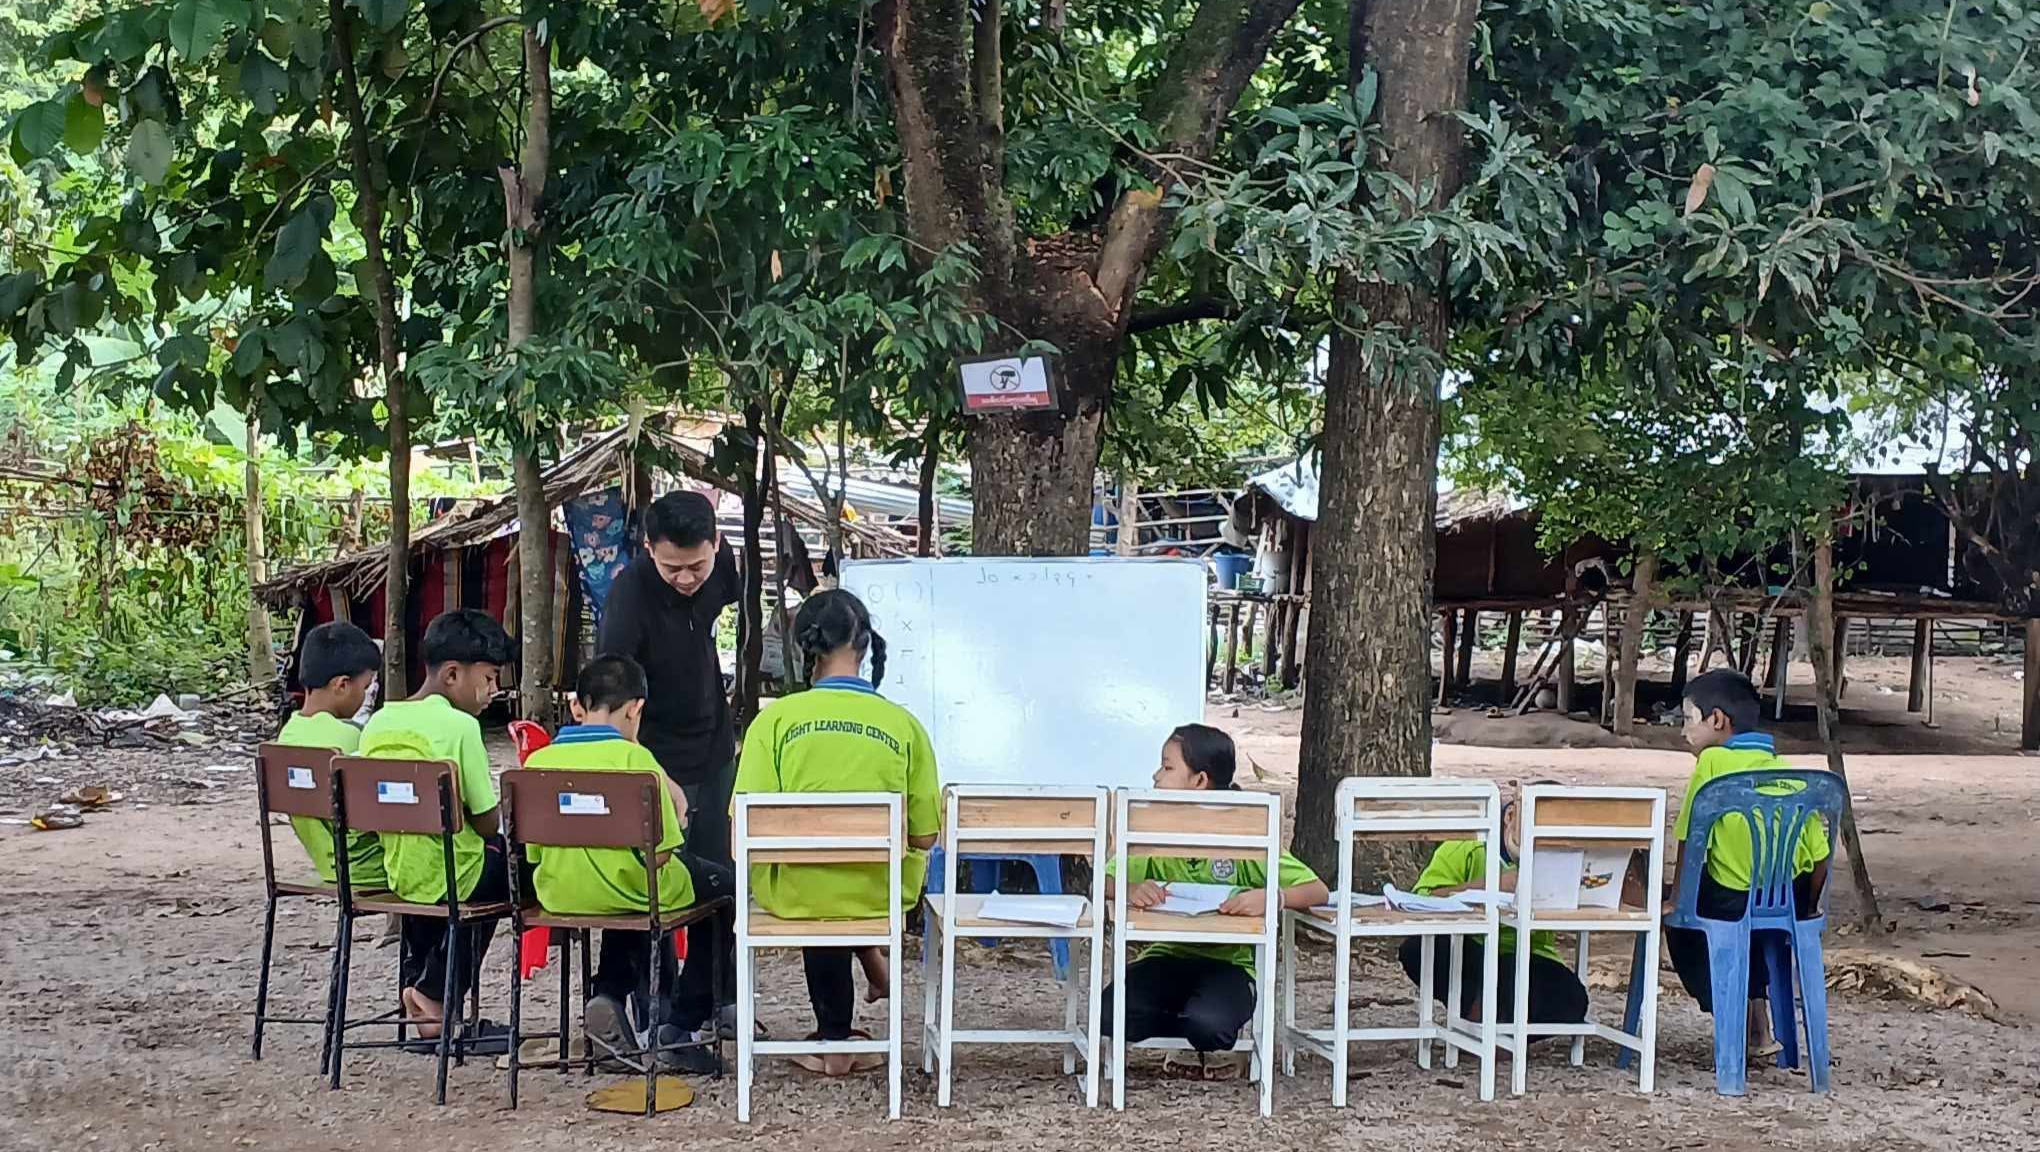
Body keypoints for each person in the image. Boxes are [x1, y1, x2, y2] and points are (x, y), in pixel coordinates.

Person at [732, 588, 939, 1076]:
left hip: (798, 894)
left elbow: (740, 836)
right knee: (845, 882)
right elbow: (926, 837)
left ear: (808, 648)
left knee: (816, 883)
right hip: (878, 894)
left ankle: (833, 1038)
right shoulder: (904, 725)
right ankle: (845, 1020)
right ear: (865, 645)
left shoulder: (774, 722)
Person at [521, 655, 733, 1073]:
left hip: (559, 894)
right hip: (635, 889)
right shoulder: (638, 761)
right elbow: (661, 854)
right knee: (721, 888)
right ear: (636, 708)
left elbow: (532, 853)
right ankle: (680, 1027)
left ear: (578, 706)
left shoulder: (538, 764)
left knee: (629, 895)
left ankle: (610, 995)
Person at [1103, 725, 1328, 1078]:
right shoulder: (1152, 828)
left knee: (1210, 1026)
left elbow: (1317, 890)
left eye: (1167, 767)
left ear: (1199, 781)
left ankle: (1208, 1032)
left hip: (1230, 964)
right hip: (1168, 956)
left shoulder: (1247, 833)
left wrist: (1274, 897)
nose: (1155, 775)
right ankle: (1187, 1032)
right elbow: (1105, 880)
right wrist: (1129, 888)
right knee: (1108, 1015)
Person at [597, 490, 740, 1036]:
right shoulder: (630, 595)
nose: (686, 578)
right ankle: (645, 998)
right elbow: (616, 691)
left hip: (713, 747)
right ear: (648, 549)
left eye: (696, 566)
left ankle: (712, 999)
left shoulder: (724, 565)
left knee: (715, 873)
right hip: (652, 752)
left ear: (716, 546)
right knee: (648, 878)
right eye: (672, 567)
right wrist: (645, 770)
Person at [358, 608, 515, 1040]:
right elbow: (485, 825)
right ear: (451, 675)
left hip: (402, 871)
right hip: (459, 874)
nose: (493, 691)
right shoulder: (460, 727)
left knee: (443, 867)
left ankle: (417, 992)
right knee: (514, 872)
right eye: (488, 678)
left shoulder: (377, 723)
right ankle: (435, 993)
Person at [1665, 668, 1831, 1056]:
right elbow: (1819, 858)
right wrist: (1805, 907)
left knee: (1681, 920)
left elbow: (1690, 841)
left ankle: (1731, 1011)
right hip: (1785, 899)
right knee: (1756, 922)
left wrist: (1680, 900)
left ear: (1717, 720)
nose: (1683, 732)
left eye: (1688, 720)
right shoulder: (1791, 774)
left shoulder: (1711, 764)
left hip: (1728, 898)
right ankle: (1760, 1025)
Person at [1396, 783, 1590, 1025]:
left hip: (1529, 954)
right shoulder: (1466, 845)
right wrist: (1489, 885)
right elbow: (1420, 901)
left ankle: (1499, 1031)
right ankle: (1477, 1017)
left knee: (1572, 997)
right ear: (1510, 816)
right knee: (1419, 948)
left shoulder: (1562, 857)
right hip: (1471, 947)